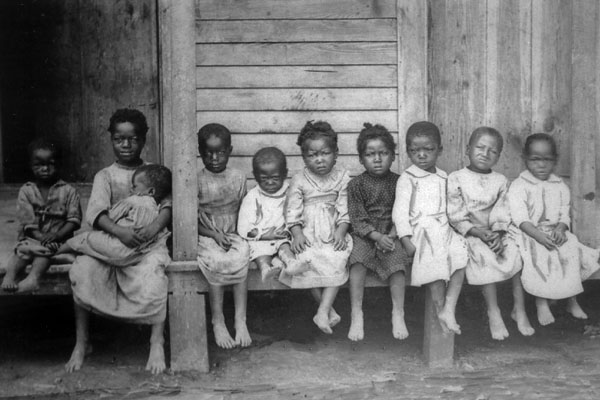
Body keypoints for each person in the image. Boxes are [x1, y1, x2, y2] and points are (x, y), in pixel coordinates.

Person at [66, 109, 172, 375]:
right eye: (119, 139)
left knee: (156, 272)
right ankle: (82, 342)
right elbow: (95, 214)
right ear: (111, 140)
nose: (126, 145)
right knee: (83, 269)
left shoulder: (153, 173)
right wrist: (120, 232)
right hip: (114, 240)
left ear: (144, 139)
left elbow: (168, 205)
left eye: (133, 139)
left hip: (145, 244)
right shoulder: (105, 176)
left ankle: (156, 341)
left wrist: (153, 227)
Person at [447, 127, 533, 340]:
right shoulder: (456, 178)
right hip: (470, 233)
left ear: (498, 156)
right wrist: (478, 233)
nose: (485, 154)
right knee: (484, 256)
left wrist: (497, 233)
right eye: (480, 147)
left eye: (492, 151)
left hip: (497, 232)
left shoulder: (501, 181)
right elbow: (455, 213)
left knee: (515, 251)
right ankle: (493, 311)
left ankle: (519, 309)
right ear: (468, 149)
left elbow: (502, 210)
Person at [507, 133, 600, 326]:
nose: (541, 165)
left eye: (547, 160)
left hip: (553, 230)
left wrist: (561, 227)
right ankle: (542, 302)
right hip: (529, 232)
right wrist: (539, 236)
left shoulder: (559, 185)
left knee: (569, 247)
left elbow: (564, 213)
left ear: (555, 161)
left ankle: (571, 299)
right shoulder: (519, 185)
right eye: (535, 160)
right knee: (541, 253)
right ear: (525, 159)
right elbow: (520, 219)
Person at [392, 121, 468, 335]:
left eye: (428, 149)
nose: (422, 155)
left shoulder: (445, 176)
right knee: (434, 262)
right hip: (421, 230)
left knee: (460, 254)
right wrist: (406, 240)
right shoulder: (408, 178)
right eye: (416, 151)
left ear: (439, 150)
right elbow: (399, 212)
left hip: (444, 227)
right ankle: (439, 308)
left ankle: (449, 308)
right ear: (408, 152)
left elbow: (451, 207)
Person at [282, 120, 352, 334]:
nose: (320, 159)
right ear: (304, 158)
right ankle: (326, 310)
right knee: (305, 259)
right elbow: (292, 210)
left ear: (336, 153)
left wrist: (341, 230)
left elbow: (344, 207)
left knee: (337, 257)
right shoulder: (299, 179)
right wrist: (296, 233)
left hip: (332, 230)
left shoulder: (342, 177)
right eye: (312, 155)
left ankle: (322, 310)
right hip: (307, 231)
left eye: (325, 153)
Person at [347, 123, 409, 341]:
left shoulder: (400, 182)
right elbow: (357, 217)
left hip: (391, 233)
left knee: (398, 262)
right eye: (370, 154)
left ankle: (398, 312)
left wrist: (392, 234)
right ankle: (356, 313)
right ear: (361, 158)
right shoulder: (356, 185)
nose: (377, 159)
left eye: (383, 153)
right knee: (357, 260)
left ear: (392, 156)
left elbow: (403, 211)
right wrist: (375, 236)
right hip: (366, 235)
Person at [196, 123, 252, 349]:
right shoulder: (197, 179)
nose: (214, 158)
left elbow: (245, 210)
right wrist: (213, 234)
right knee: (217, 261)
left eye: (220, 152)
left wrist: (241, 235)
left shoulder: (238, 177)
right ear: (200, 152)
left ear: (229, 150)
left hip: (234, 231)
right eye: (208, 153)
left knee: (242, 257)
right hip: (206, 232)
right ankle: (218, 320)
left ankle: (241, 320)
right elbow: (190, 220)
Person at [1, 139, 81, 293]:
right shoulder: (26, 191)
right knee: (21, 251)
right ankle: (9, 276)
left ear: (59, 164)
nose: (45, 168)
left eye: (50, 164)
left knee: (45, 252)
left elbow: (74, 220)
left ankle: (33, 279)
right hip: (32, 238)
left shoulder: (69, 191)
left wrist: (57, 235)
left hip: (58, 240)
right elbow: (27, 222)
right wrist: (40, 237)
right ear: (30, 166)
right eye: (39, 165)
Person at [57, 165, 171, 266]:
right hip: (138, 254)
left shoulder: (133, 200)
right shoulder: (158, 208)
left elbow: (111, 216)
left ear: (151, 191)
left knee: (84, 238)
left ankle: (57, 253)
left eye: (134, 186)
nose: (131, 189)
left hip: (119, 247)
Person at [237, 146, 310, 282]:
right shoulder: (253, 197)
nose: (270, 182)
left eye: (275, 178)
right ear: (256, 176)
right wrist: (264, 235)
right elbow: (243, 226)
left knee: (285, 247)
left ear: (284, 173)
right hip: (261, 238)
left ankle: (291, 263)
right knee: (259, 251)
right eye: (264, 179)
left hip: (283, 236)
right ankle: (265, 268)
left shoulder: (290, 192)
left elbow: (299, 211)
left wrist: (292, 230)